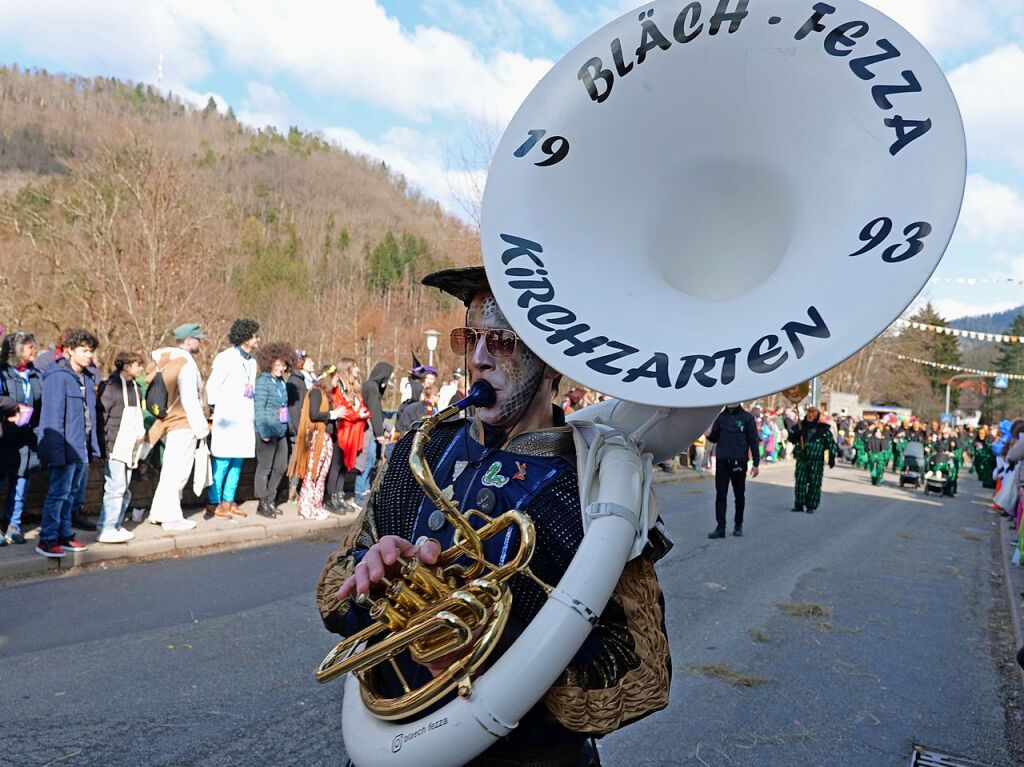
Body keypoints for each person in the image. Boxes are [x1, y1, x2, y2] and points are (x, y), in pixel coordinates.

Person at [316, 266, 671, 767]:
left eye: (502, 340)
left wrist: (487, 655)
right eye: (471, 338)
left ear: (552, 360)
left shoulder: (599, 482)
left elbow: (641, 671)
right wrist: (374, 579)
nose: (478, 360)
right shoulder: (422, 450)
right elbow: (334, 597)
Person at [36, 329, 101, 558]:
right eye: (83, 350)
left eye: (91, 351)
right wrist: (56, 453)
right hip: (65, 447)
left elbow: (89, 416)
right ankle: (47, 539)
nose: (88, 355)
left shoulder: (86, 377)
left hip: (81, 446)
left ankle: (64, 535)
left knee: (71, 494)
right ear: (69, 350)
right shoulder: (58, 377)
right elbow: (52, 419)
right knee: (58, 493)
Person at [147, 323, 210, 530]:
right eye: (197, 339)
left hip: (167, 422)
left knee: (170, 470)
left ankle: (159, 512)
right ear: (189, 340)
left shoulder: (166, 360)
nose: (200, 342)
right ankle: (171, 517)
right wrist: (202, 429)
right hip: (183, 422)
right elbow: (190, 399)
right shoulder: (186, 364)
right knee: (178, 471)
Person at [206, 319, 260, 518]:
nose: (258, 339)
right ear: (245, 337)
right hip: (227, 418)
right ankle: (213, 502)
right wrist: (215, 408)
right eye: (255, 335)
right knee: (221, 462)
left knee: (237, 463)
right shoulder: (226, 358)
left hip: (244, 418)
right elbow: (211, 387)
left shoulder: (252, 361)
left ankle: (228, 501)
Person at [96, 351, 146, 543]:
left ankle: (116, 524)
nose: (141, 368)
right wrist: (105, 445)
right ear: (126, 366)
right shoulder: (111, 388)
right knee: (115, 487)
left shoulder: (135, 387)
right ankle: (106, 527)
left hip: (130, 444)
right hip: (115, 445)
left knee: (124, 488)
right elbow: (103, 417)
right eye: (137, 365)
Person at [0, 331, 42, 545]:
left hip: (27, 438)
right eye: (28, 347)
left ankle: (13, 525)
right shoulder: (4, 374)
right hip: (5, 437)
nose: (33, 350)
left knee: (21, 484)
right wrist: (13, 407)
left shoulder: (35, 374)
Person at [288, 365, 345, 521]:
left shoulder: (326, 395)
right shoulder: (315, 392)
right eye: (336, 378)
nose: (337, 381)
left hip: (325, 437)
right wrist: (333, 414)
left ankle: (316, 506)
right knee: (311, 474)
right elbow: (314, 414)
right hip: (315, 438)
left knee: (321, 475)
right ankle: (305, 508)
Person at [254, 342, 295, 518]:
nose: (281, 368)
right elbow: (259, 408)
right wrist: (263, 431)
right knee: (265, 467)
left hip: (281, 430)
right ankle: (262, 502)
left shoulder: (281, 382)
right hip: (267, 430)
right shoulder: (263, 381)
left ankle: (271, 498)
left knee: (281, 467)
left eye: (284, 365)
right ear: (269, 363)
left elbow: (284, 406)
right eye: (278, 365)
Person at [706, 403, 760, 538]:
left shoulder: (747, 418)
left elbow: (753, 440)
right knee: (720, 495)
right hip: (722, 460)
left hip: (739, 461)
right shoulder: (721, 417)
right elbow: (714, 437)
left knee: (739, 495)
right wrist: (707, 434)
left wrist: (756, 463)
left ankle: (738, 525)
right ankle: (720, 528)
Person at [356, 361, 394, 508]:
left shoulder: (372, 386)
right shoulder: (371, 387)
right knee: (367, 461)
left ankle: (364, 491)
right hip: (371, 430)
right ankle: (360, 493)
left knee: (370, 461)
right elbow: (375, 410)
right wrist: (379, 432)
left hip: (372, 429)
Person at [789, 406, 837, 513]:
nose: (811, 416)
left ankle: (811, 505)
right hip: (802, 459)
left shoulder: (823, 429)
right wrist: (797, 434)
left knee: (814, 483)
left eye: (813, 414)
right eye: (809, 414)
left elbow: (831, 444)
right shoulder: (800, 427)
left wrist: (832, 457)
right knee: (800, 482)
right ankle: (799, 504)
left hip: (816, 461)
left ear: (817, 416)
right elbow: (791, 438)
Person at [286, 352, 316, 501]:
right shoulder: (296, 381)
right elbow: (295, 409)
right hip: (298, 428)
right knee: (295, 459)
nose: (313, 364)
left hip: (302, 427)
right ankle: (291, 489)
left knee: (298, 458)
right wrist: (299, 429)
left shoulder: (303, 380)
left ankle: (293, 489)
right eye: (308, 361)